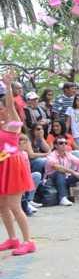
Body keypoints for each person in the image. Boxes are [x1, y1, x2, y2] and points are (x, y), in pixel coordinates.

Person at [0, 72, 36, 256]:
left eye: (2, 108)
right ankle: (12, 239)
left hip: (13, 167)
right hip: (1, 167)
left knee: (15, 206)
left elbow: (10, 104)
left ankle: (28, 242)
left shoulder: (13, 125)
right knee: (2, 206)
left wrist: (7, 86)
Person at [45, 137, 79, 206]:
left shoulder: (68, 154)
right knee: (60, 173)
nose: (64, 145)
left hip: (65, 178)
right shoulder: (51, 155)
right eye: (61, 143)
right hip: (52, 180)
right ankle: (63, 198)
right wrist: (74, 172)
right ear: (55, 145)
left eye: (65, 143)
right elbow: (57, 167)